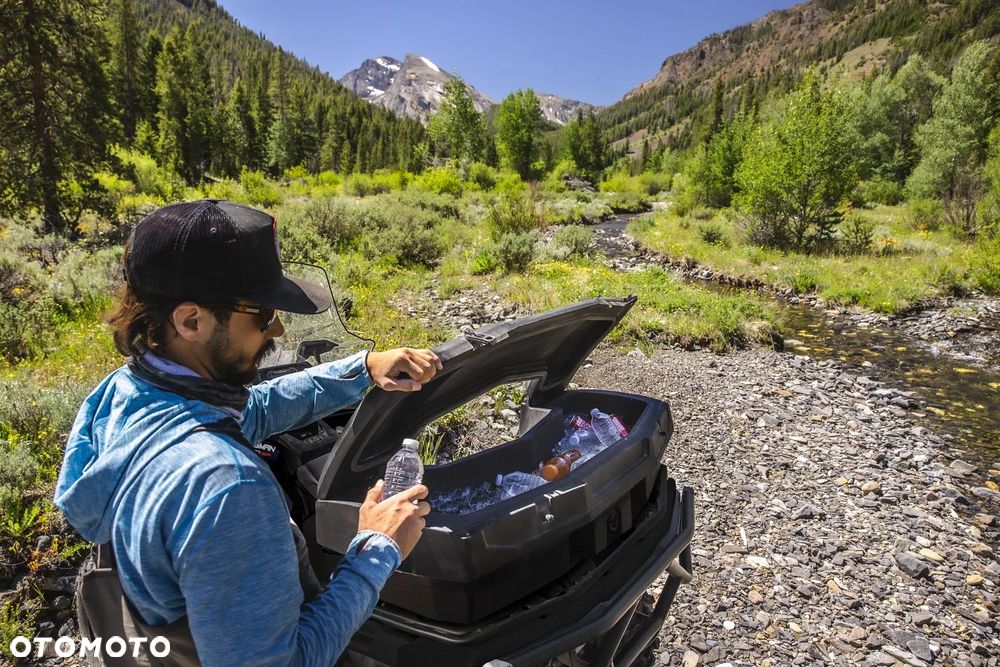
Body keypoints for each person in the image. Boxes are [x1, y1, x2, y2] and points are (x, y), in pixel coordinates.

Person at [54, 199, 441, 666]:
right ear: (190, 320)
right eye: (261, 312)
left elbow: (248, 410)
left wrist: (360, 369)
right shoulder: (226, 488)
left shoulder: (126, 392)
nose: (276, 328)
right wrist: (376, 550)